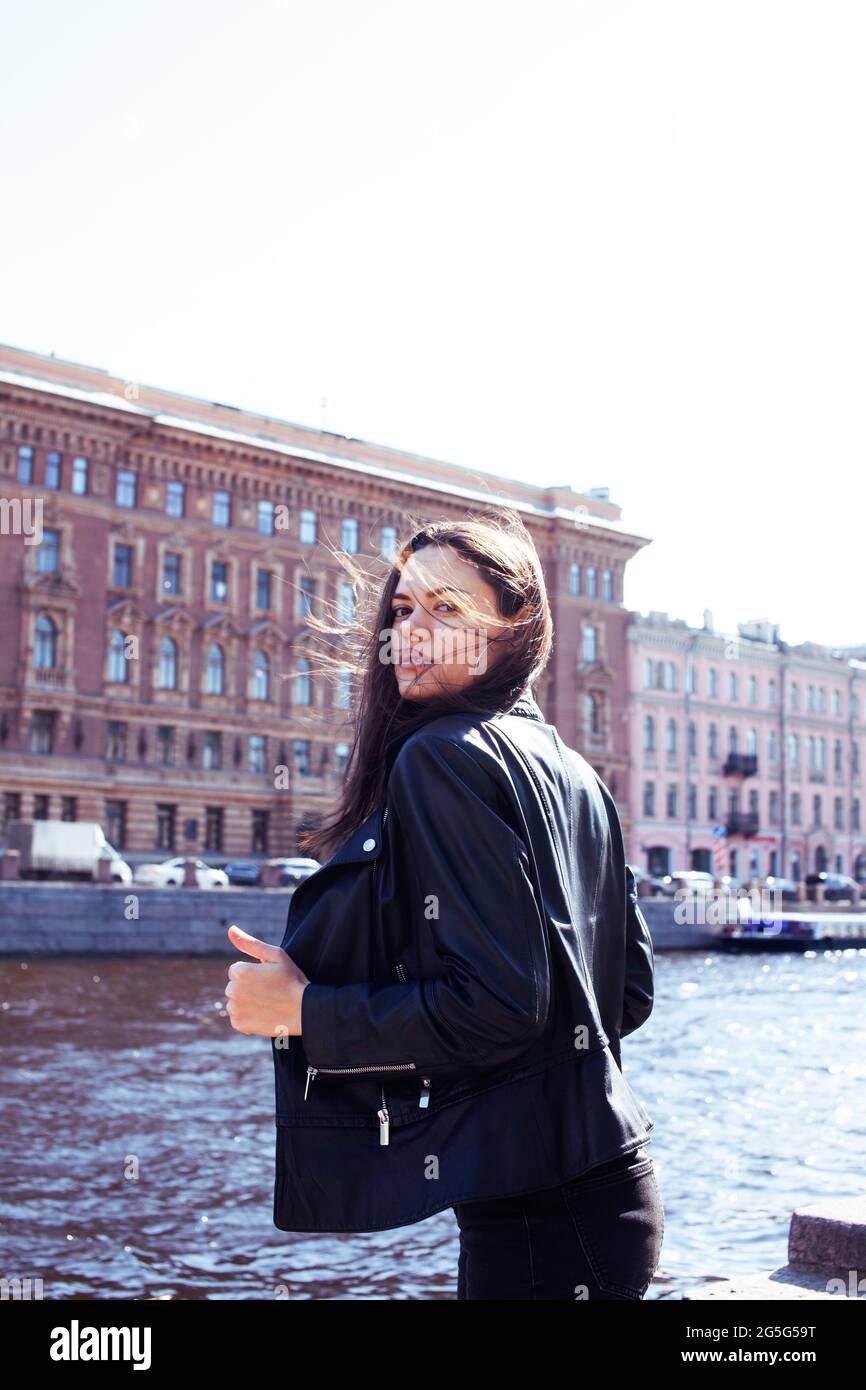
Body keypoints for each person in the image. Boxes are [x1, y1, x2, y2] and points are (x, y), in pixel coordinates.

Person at [225, 506, 663, 1300]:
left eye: (447, 609)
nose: (410, 631)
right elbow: (625, 996)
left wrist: (303, 1010)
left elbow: (499, 1006)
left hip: (537, 1223)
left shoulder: (442, 758)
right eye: (402, 608)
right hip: (607, 1194)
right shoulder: (576, 770)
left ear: (515, 628)